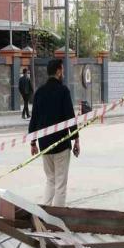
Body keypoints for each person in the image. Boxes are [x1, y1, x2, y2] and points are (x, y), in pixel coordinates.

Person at [29, 59, 79, 207]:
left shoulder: (39, 92)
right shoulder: (63, 91)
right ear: (58, 71)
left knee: (50, 180)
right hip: (61, 145)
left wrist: (33, 143)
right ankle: (57, 218)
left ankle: (44, 213)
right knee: (60, 184)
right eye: (62, 69)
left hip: (44, 144)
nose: (63, 72)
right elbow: (70, 117)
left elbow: (34, 118)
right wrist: (76, 139)